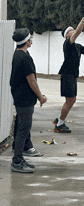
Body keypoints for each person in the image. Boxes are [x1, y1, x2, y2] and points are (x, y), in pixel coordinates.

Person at [10, 28, 47, 173]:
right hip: (25, 98)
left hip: (20, 96)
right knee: (23, 130)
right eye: (30, 37)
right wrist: (40, 96)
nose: (32, 40)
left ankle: (20, 158)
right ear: (27, 41)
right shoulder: (25, 58)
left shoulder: (18, 54)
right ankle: (17, 162)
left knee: (21, 128)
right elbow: (32, 81)